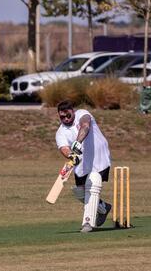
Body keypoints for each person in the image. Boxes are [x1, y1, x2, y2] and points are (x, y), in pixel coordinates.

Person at [55, 100, 111, 233]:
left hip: (99, 158)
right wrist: (70, 155)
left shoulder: (82, 114)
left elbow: (85, 125)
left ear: (72, 111)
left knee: (93, 184)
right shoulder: (60, 132)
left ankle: (88, 223)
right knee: (80, 192)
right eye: (62, 117)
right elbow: (63, 148)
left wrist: (78, 142)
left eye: (68, 115)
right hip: (81, 165)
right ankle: (103, 208)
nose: (66, 119)